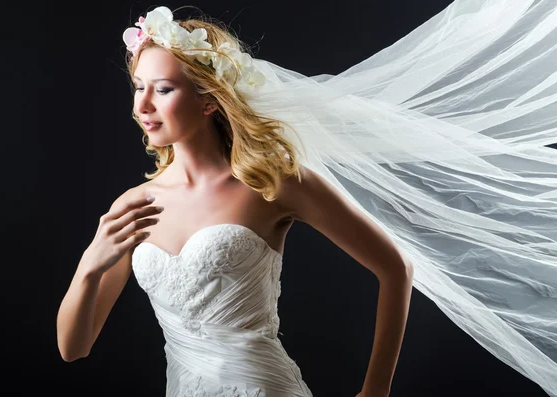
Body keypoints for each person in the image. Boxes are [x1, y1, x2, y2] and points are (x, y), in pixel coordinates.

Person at [56, 6, 414, 397]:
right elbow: (74, 348)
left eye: (163, 89)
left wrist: (375, 390)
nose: (142, 106)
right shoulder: (134, 205)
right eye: (139, 86)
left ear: (209, 100)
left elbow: (396, 268)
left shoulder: (272, 182)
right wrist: (90, 266)